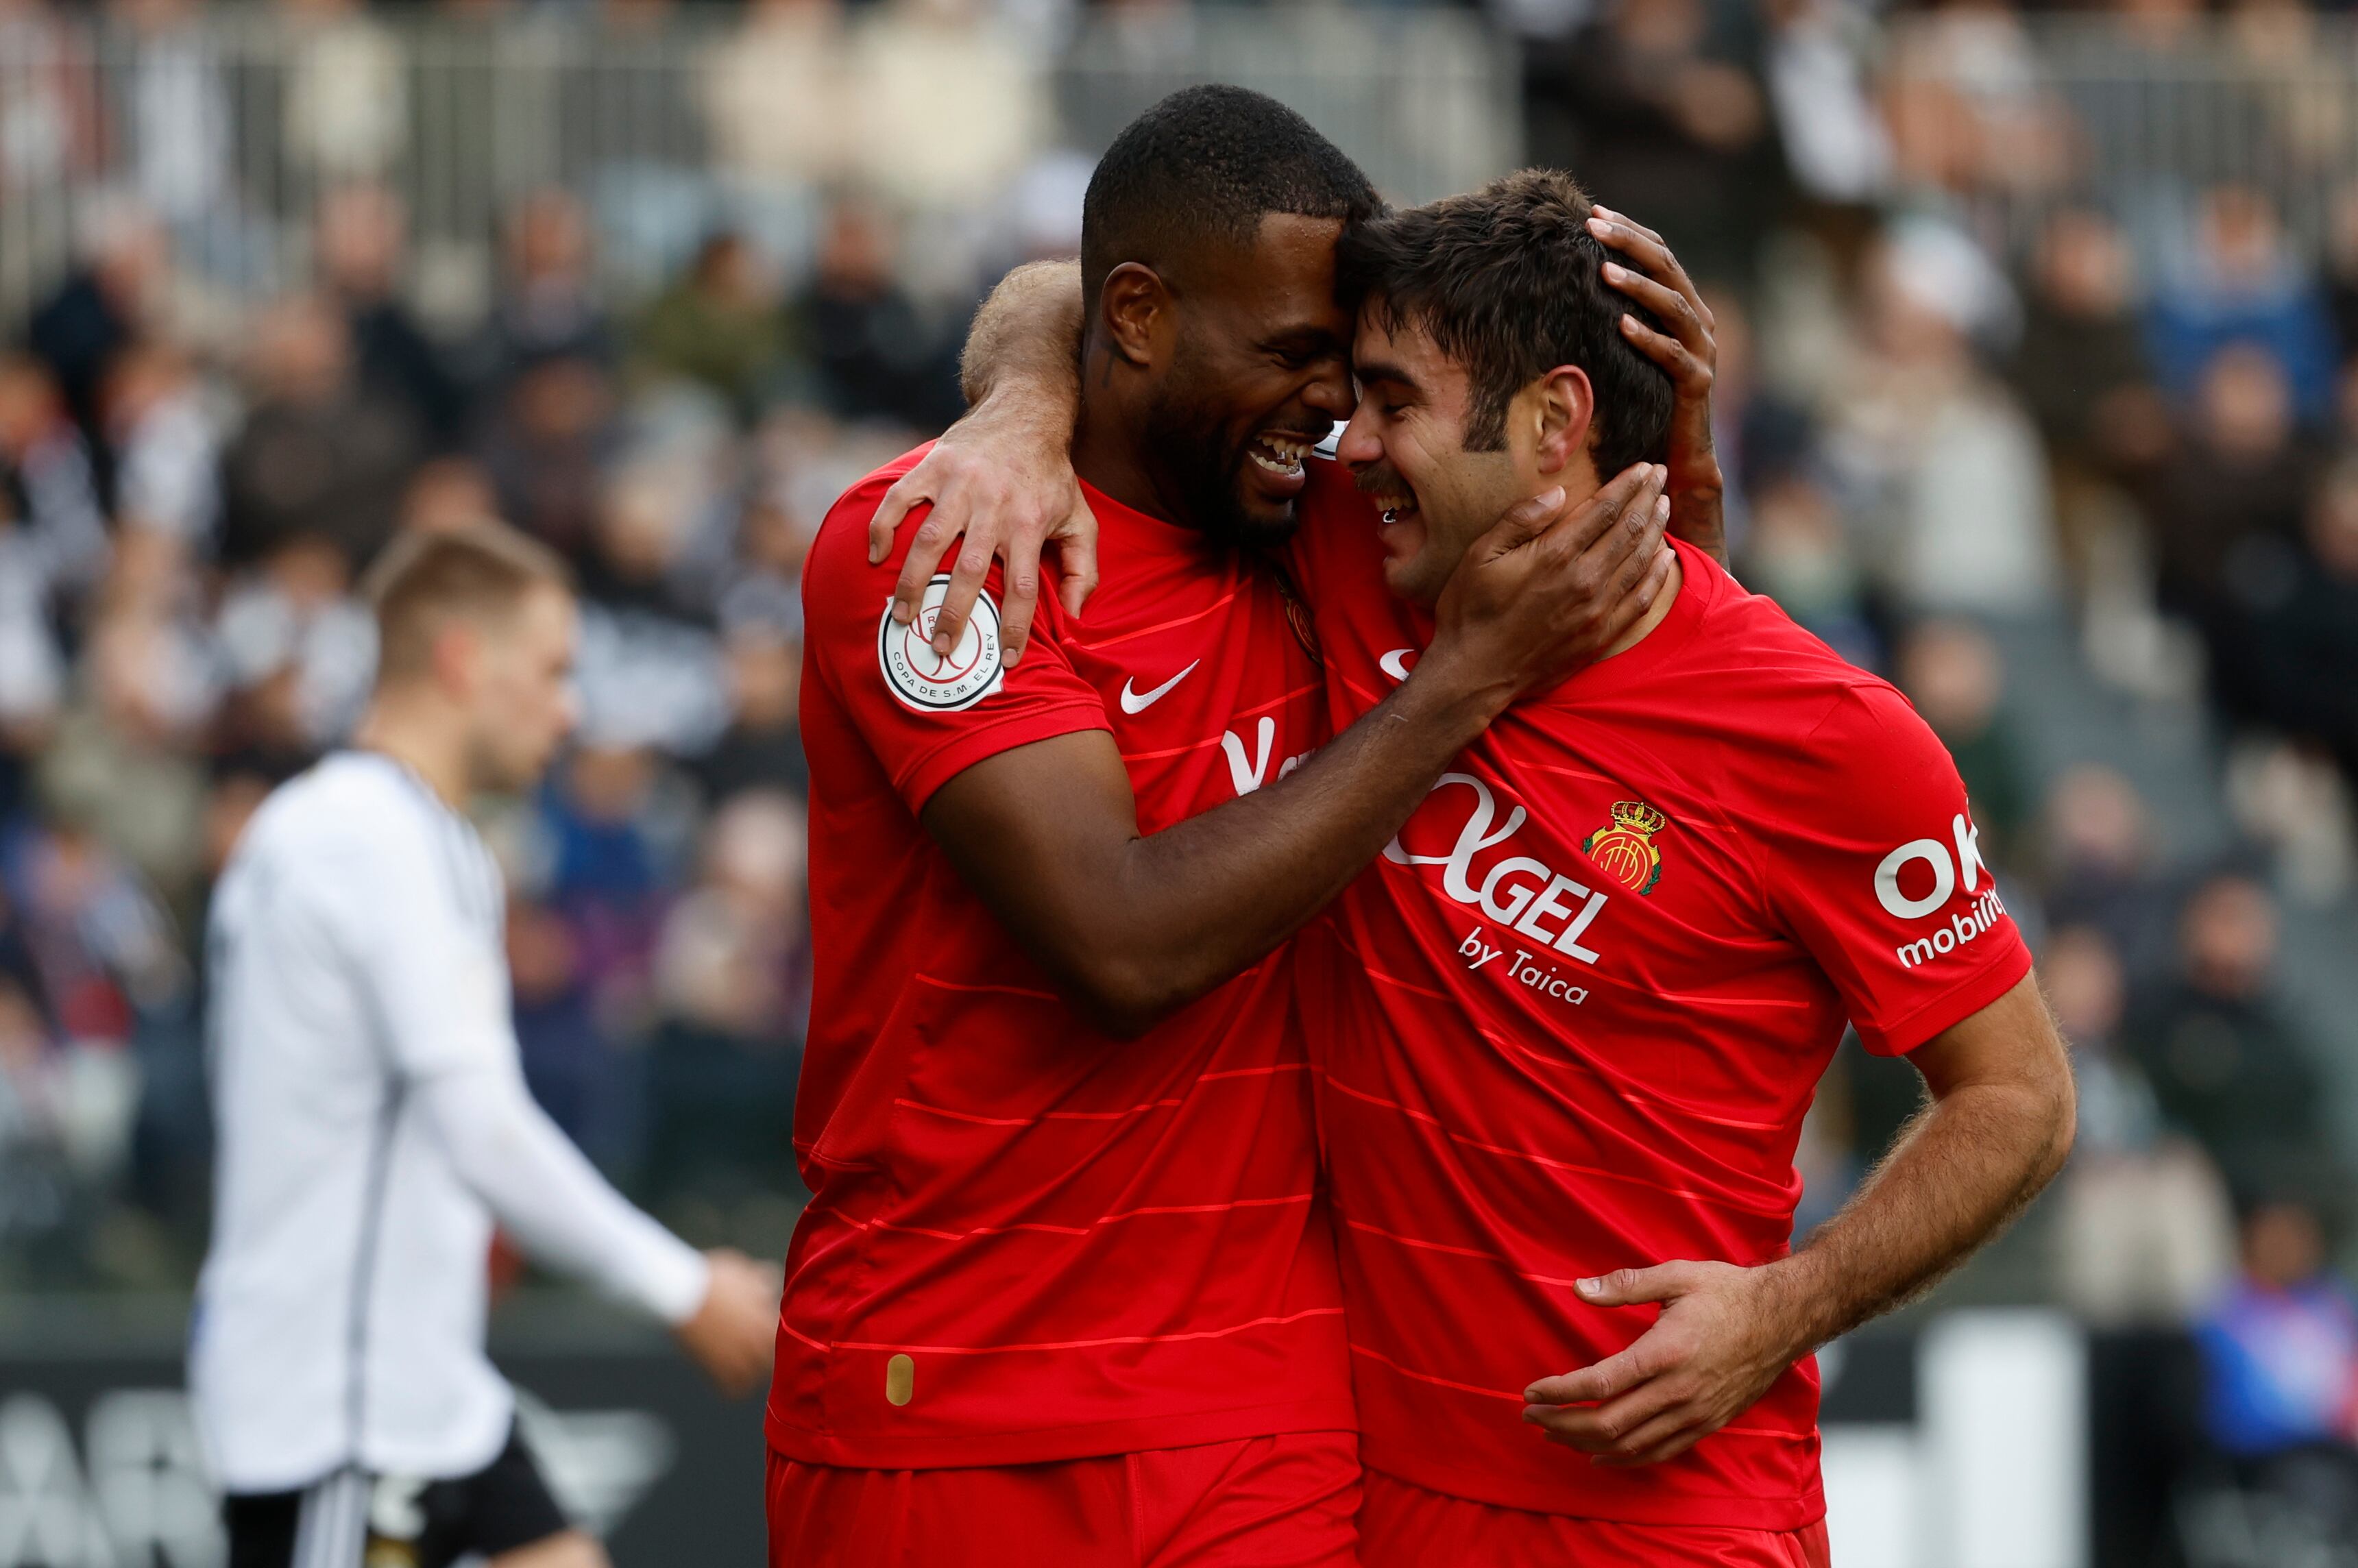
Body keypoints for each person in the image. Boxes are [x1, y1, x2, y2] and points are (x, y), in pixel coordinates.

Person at [903, 168, 2077, 1565]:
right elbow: (1087, 297)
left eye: (1392, 404)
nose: (1350, 446)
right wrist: (1022, 410)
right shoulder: (1352, 550)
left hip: (1669, 1518)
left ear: (1552, 422)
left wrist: (1787, 1307)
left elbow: (2019, 1097)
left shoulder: (1830, 736)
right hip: (1366, 1497)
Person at [773, 88, 1676, 1567]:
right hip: (945, 1405)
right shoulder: (942, 548)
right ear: (1135, 322)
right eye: (1296, 359)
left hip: (1263, 1415)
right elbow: (1118, 945)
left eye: (1357, 374)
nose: (1338, 412)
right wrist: (1458, 685)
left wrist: (1676, 471)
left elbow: (1610, 640)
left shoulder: (1330, 523)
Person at [193, 523, 778, 1568]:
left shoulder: (419, 839)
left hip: (428, 1397)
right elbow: (483, 1128)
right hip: (339, 1416)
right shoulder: (359, 835)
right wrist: (679, 1286)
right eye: (553, 671)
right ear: (463, 658)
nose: (571, 710)